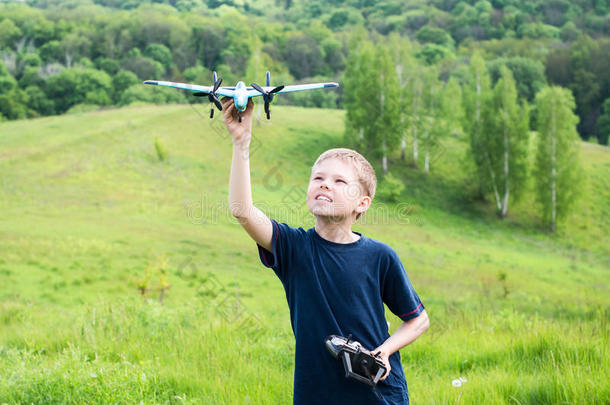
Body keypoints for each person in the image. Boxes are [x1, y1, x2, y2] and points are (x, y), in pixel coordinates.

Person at [222, 96, 429, 405]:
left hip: (378, 394)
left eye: (339, 181)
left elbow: (418, 319)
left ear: (362, 203)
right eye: (317, 178)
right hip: (315, 393)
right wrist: (242, 143)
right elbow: (242, 210)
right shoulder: (293, 248)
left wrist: (384, 351)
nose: (325, 185)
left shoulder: (380, 256)